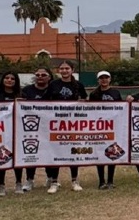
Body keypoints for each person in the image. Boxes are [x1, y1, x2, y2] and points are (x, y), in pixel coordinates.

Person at [48, 61, 88, 193]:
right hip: (56, 123)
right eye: (62, 68)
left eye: (67, 68)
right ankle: (54, 182)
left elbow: (85, 101)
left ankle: (75, 180)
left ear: (72, 70)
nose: (64, 71)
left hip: (73, 123)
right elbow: (45, 101)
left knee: (73, 151)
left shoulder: (78, 85)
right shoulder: (53, 84)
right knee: (56, 151)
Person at [19, 67, 56, 192]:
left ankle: (51, 177)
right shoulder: (27, 90)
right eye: (38, 74)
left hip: (49, 126)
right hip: (30, 127)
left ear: (49, 77)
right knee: (31, 152)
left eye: (43, 74)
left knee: (49, 152)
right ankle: (29, 180)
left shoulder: (54, 89)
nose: (40, 76)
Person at [0, 71, 25, 195]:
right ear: (3, 80)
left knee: (17, 158)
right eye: (7, 78)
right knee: (1, 156)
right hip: (2, 131)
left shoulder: (21, 95)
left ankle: (19, 183)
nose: (9, 80)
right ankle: (1, 185)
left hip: (18, 131)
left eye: (12, 78)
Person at [88, 71, 123, 189]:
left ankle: (110, 181)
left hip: (113, 126)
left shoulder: (115, 92)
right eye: (101, 78)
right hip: (100, 126)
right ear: (98, 80)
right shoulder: (94, 94)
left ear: (110, 79)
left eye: (106, 78)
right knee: (100, 153)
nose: (104, 80)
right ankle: (101, 181)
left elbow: (121, 109)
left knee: (112, 152)